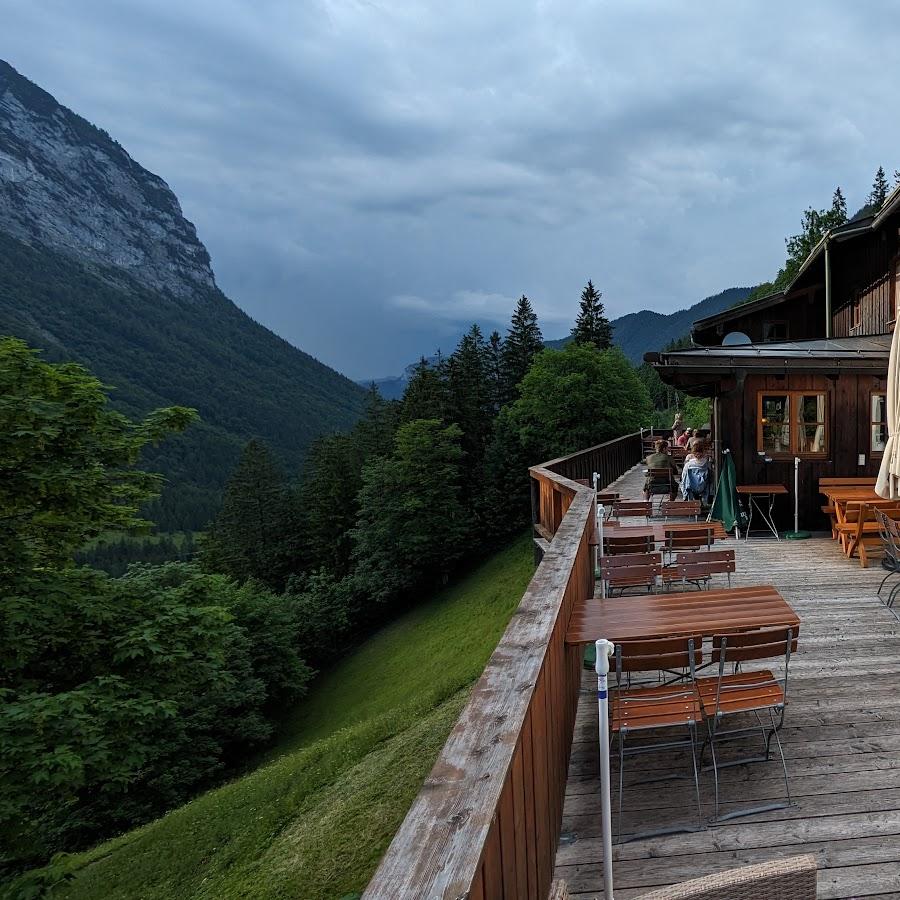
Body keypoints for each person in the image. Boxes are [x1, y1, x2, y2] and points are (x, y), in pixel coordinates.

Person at [680, 438, 712, 504]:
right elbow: (711, 475)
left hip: (690, 486)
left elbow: (684, 476)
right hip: (704, 486)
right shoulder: (707, 463)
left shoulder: (689, 464)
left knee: (685, 479)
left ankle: (689, 500)